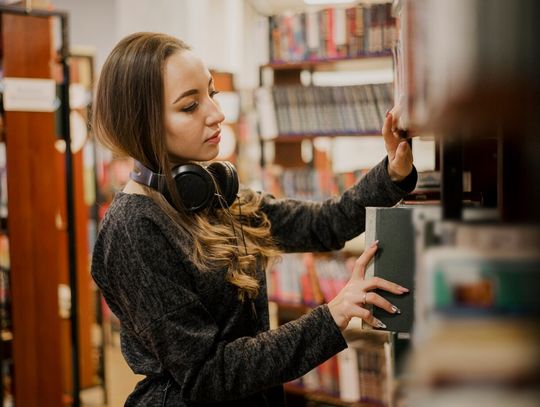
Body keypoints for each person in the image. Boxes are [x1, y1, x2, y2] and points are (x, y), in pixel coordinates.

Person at [91, 32, 417, 407]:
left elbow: (326, 223)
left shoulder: (212, 191)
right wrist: (332, 316)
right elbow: (208, 375)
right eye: (189, 106)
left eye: (211, 94)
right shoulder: (133, 228)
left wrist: (392, 173)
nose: (217, 114)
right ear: (142, 123)